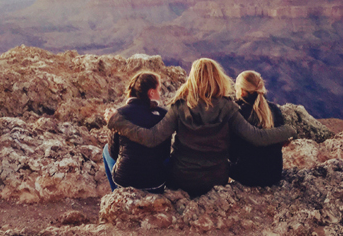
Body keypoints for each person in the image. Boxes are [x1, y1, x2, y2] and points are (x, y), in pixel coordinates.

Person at [106, 58, 295, 197]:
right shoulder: (228, 107)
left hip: (181, 178)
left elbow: (151, 138)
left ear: (192, 79)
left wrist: (118, 123)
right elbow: (256, 137)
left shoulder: (179, 107)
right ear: (217, 78)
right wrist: (289, 130)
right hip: (216, 179)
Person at [103, 71, 171, 194]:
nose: (160, 94)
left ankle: (116, 194)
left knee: (106, 149)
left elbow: (113, 152)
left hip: (125, 182)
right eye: (159, 90)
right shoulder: (163, 114)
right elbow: (165, 153)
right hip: (156, 184)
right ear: (151, 92)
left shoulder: (119, 114)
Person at [230, 70, 286, 187]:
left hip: (247, 176)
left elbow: (232, 150)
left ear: (242, 91)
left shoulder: (238, 112)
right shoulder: (274, 109)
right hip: (274, 174)